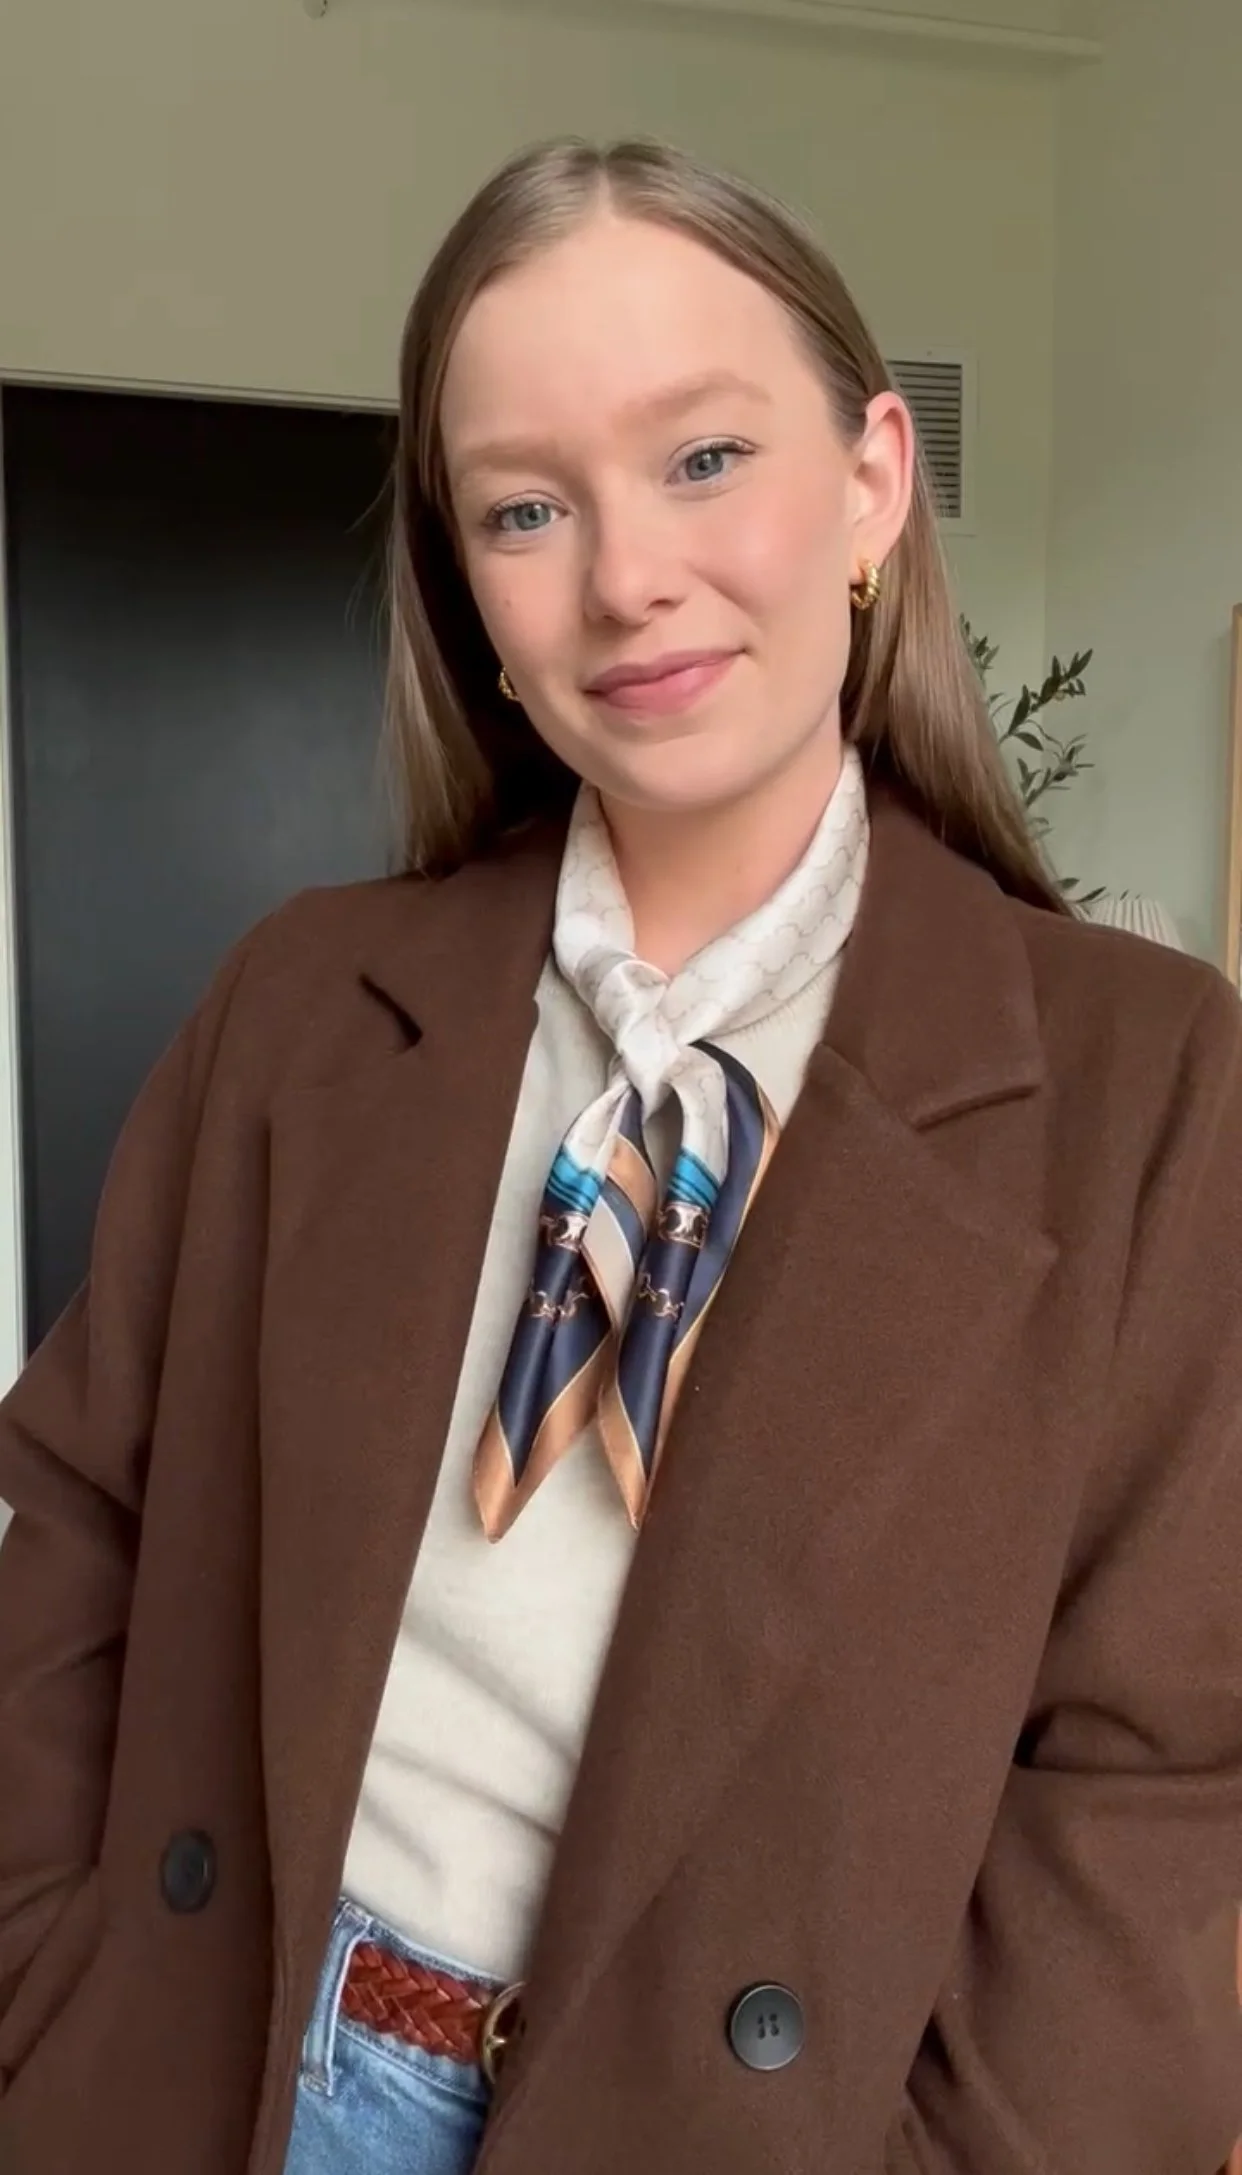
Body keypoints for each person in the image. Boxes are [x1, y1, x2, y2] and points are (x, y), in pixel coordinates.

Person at [0, 133, 1240, 2175]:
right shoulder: (303, 1004)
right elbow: (76, 1520)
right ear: (468, 591)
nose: (628, 576)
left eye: (702, 459)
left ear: (869, 484)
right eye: (523, 505)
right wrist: (50, 1991)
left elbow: (1152, 1768)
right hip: (211, 2080)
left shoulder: (1144, 1082)